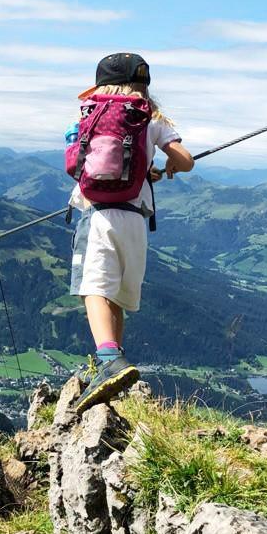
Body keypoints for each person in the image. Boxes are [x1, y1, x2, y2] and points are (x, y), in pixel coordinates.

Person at [67, 53, 194, 412]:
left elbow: (78, 166)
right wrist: (165, 166)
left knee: (93, 288)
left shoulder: (93, 113)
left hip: (99, 216)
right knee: (118, 298)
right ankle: (113, 364)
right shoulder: (149, 116)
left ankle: (107, 358)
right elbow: (186, 160)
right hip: (136, 221)